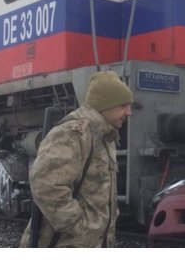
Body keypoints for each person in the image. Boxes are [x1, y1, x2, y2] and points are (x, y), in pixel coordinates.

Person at [19, 70, 133, 248]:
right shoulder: (73, 133)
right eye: (123, 105)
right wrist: (81, 229)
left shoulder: (105, 135)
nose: (129, 112)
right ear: (106, 104)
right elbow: (46, 185)